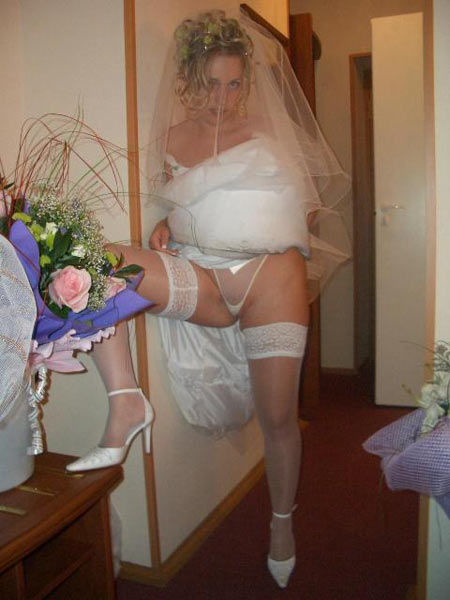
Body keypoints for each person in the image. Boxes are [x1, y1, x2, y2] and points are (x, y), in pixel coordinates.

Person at [66, 9, 350, 588]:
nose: (223, 98)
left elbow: (303, 208)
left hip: (272, 279)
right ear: (190, 78)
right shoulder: (172, 139)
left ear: (247, 81)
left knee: (278, 417)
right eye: (211, 84)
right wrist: (168, 223)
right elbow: (183, 205)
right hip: (208, 279)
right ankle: (125, 402)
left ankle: (281, 522)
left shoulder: (271, 133)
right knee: (98, 260)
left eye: (234, 84)